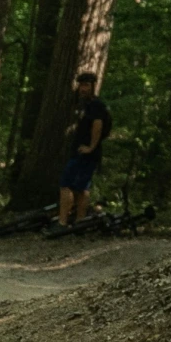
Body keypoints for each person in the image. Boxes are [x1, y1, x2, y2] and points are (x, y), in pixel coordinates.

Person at [57, 71, 110, 226]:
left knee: (66, 185)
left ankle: (62, 222)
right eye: (80, 85)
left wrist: (91, 147)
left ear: (94, 86)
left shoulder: (96, 105)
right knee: (81, 188)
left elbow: (97, 125)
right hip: (82, 151)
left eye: (86, 85)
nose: (82, 88)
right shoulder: (85, 105)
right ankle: (80, 221)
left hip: (85, 153)